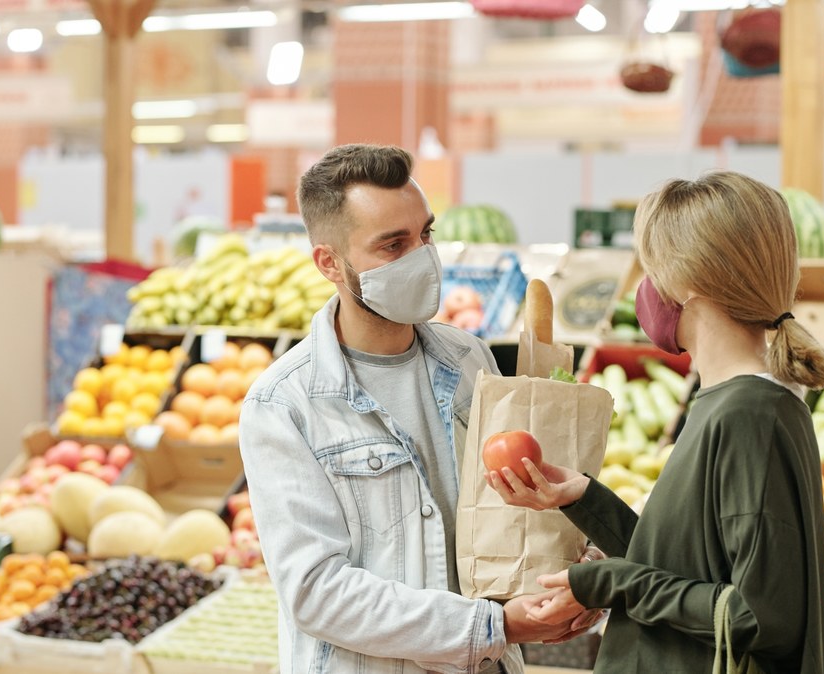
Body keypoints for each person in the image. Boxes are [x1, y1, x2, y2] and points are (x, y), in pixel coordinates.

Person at [487, 171, 824, 674]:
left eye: (651, 268)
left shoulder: (750, 415)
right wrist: (587, 501)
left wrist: (611, 583)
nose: (645, 287)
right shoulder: (725, 401)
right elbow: (689, 566)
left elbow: (763, 617)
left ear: (690, 281)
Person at [239, 144, 576, 674]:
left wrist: (567, 568)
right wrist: (494, 625)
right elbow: (316, 592)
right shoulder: (284, 404)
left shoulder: (469, 358)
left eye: (425, 235)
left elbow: (504, 514)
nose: (421, 257)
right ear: (330, 263)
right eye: (393, 246)